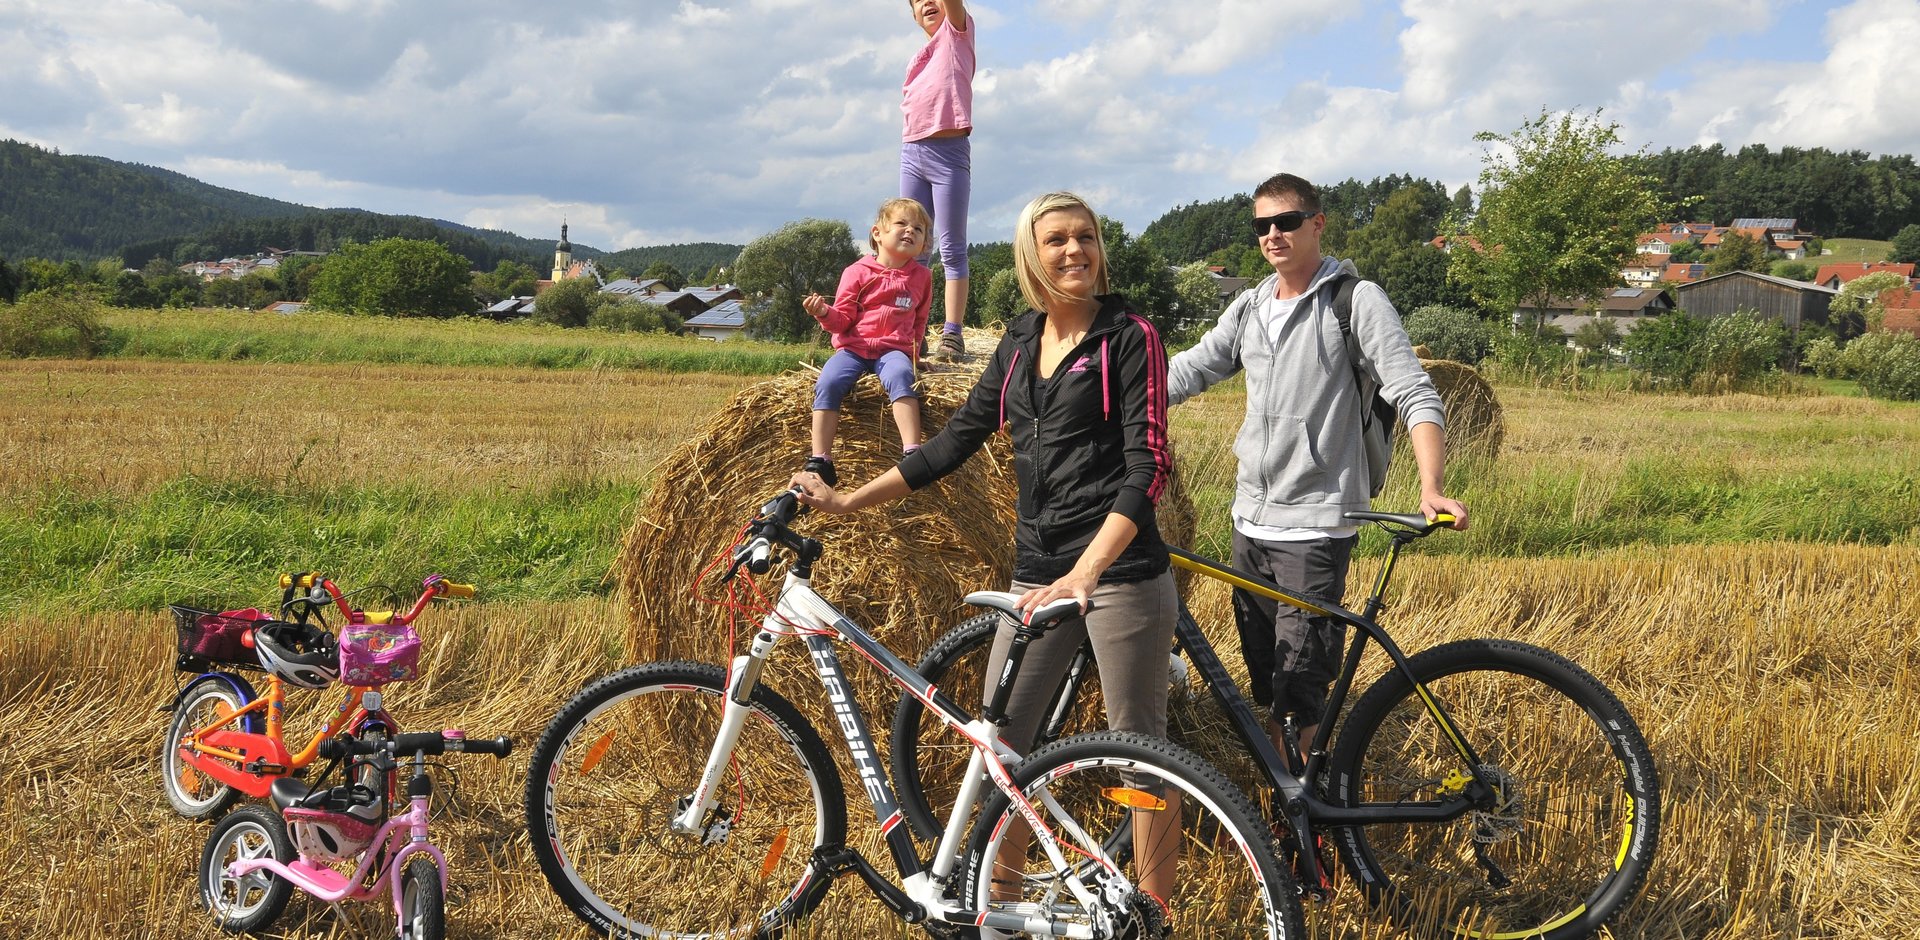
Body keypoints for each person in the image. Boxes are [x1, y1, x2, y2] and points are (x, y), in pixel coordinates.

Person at [792, 191, 1180, 911]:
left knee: (1140, 755)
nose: (1076, 252)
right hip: (1035, 570)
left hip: (1119, 573)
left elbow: (1148, 465)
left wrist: (1087, 570)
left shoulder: (1129, 335)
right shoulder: (1021, 341)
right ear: (1033, 255)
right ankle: (999, 910)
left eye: (1086, 237)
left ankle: (1153, 916)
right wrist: (847, 500)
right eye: (1058, 239)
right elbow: (953, 443)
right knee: (1002, 751)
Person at [1166, 172, 1471, 776]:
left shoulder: (1354, 300)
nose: (1273, 234)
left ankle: (1311, 825)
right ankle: (1291, 795)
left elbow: (1413, 390)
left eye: (1286, 221)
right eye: (1262, 225)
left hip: (1315, 526)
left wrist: (1430, 484)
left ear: (1318, 224)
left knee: (1299, 689)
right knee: (1266, 679)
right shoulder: (1251, 306)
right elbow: (1192, 368)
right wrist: (1104, 395)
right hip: (1249, 522)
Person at [799, 198, 935, 486]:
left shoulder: (922, 277)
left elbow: (919, 320)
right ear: (878, 233)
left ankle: (912, 451)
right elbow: (843, 319)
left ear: (924, 243)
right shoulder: (856, 272)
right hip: (853, 349)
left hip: (893, 350)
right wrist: (824, 312)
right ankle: (820, 458)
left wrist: (914, 354)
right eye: (901, 224)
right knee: (828, 381)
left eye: (919, 229)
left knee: (901, 375)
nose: (910, 230)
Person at [900, 0, 974, 360]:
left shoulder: (957, 34)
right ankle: (914, 331)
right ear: (913, 15)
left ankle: (952, 334)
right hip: (911, 154)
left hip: (949, 154)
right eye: (917, 1)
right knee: (913, 247)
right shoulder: (919, 56)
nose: (927, 3)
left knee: (951, 248)